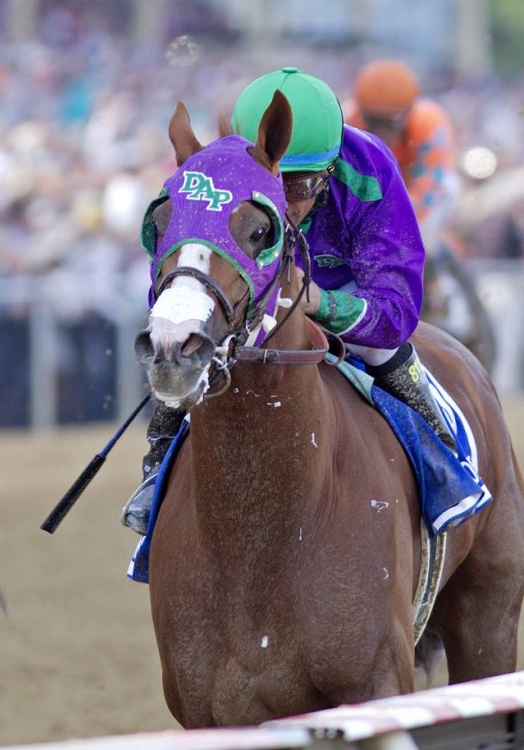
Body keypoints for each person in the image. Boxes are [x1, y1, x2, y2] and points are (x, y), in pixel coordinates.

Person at [122, 66, 455, 536]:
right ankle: (156, 472)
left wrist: (318, 301)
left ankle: (442, 459)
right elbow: (180, 267)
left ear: (329, 170)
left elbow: (395, 312)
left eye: (296, 187)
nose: (283, 199)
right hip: (255, 296)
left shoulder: (370, 168)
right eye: (273, 181)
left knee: (382, 348)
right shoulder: (216, 170)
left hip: (345, 287)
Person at [346, 59, 460, 252]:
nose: (382, 132)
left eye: (392, 123)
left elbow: (430, 186)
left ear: (408, 111)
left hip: (414, 191)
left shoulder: (429, 121)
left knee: (448, 185)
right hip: (374, 198)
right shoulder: (348, 121)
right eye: (374, 121)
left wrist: (394, 225)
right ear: (361, 111)